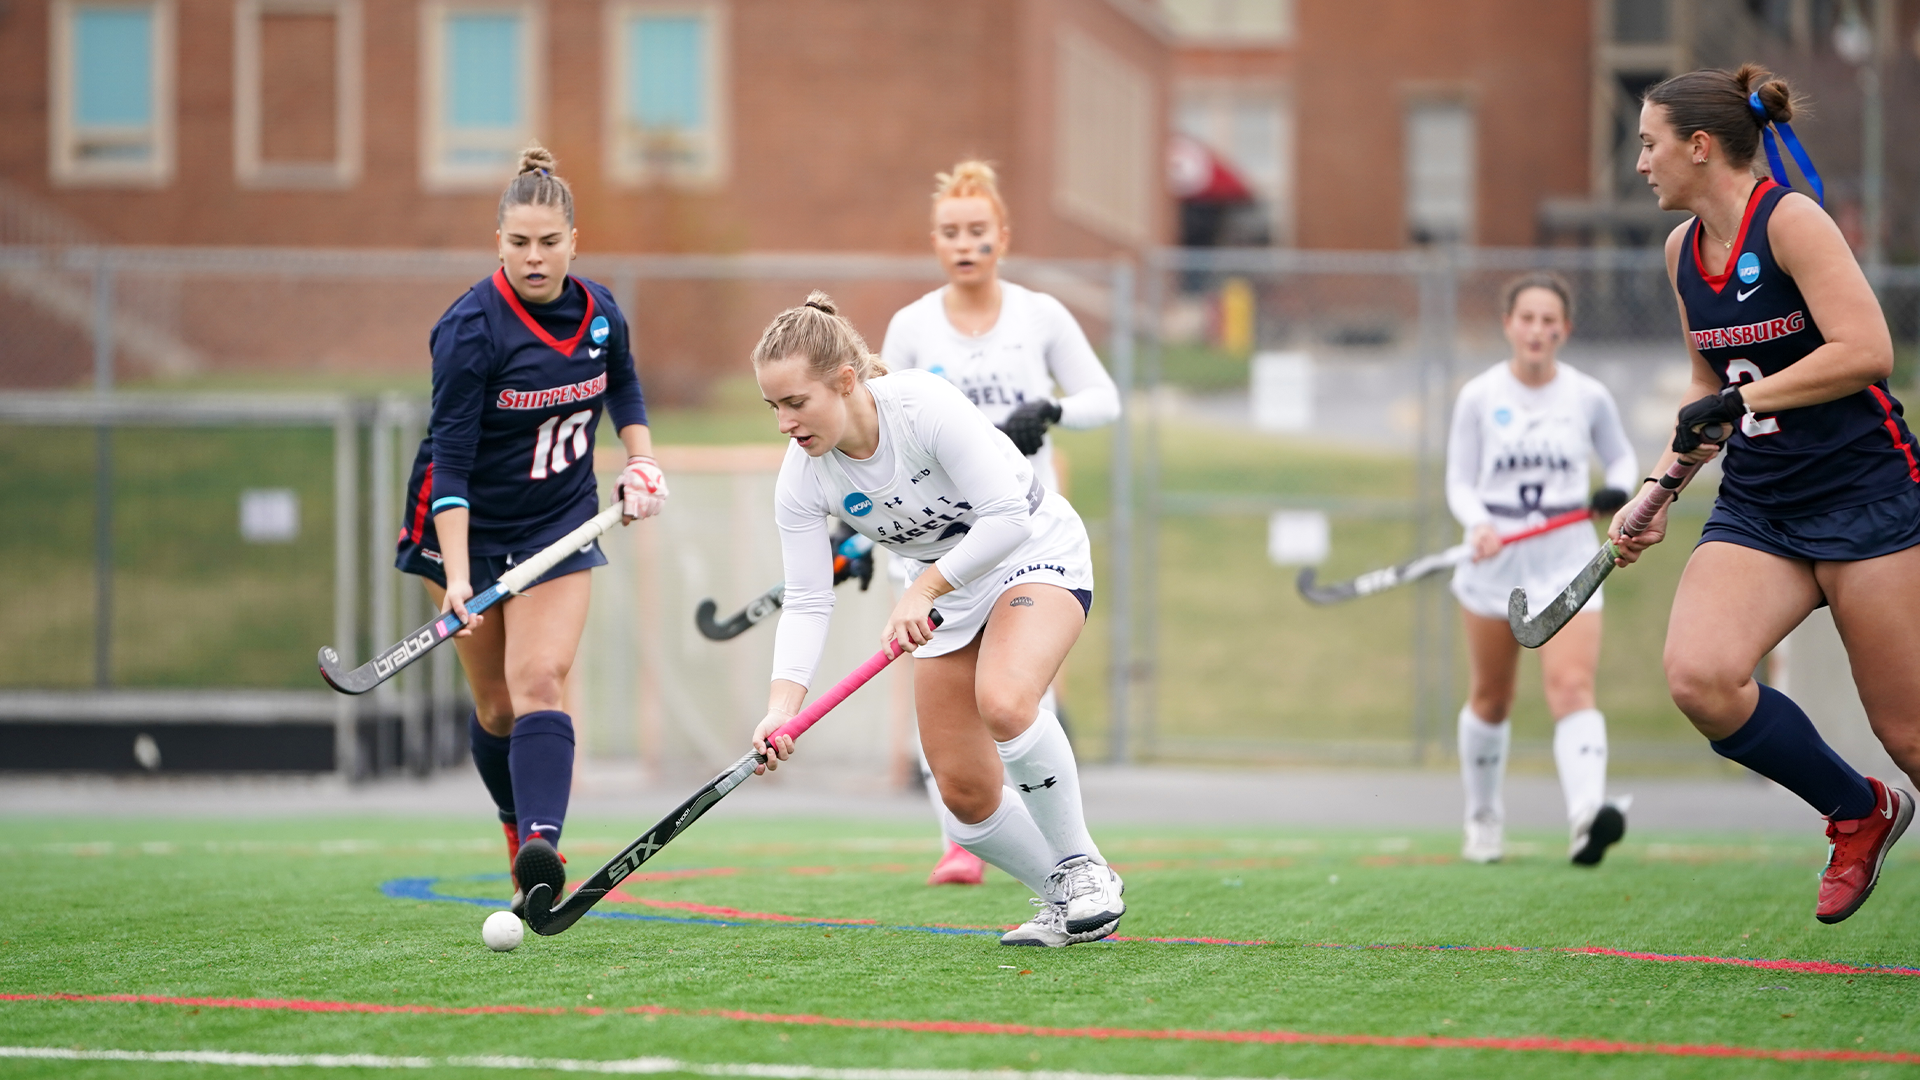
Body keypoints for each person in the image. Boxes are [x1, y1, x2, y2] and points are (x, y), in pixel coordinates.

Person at [1614, 64, 1914, 923]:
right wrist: (1660, 489)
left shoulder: (1790, 220)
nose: (1640, 163)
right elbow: (1707, 391)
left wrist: (1740, 401)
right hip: (1760, 505)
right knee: (1700, 677)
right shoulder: (1681, 255)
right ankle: (1860, 811)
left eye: (1649, 143)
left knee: (1910, 735)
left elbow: (1867, 351)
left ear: (1699, 146)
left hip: (1867, 497)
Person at [749, 291, 1123, 947]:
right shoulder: (803, 477)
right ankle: (1064, 896)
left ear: (845, 382)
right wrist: (783, 707)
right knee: (963, 796)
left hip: (1030, 552)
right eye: (773, 406)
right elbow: (810, 600)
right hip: (948, 596)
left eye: (795, 403)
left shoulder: (921, 406)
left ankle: (1086, 869)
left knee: (1006, 701)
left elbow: (1007, 517)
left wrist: (923, 586)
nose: (784, 422)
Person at [394, 146, 668, 918]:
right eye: (519, 243)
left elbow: (624, 384)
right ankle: (517, 826)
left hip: (559, 520)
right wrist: (454, 579)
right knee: (496, 711)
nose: (535, 257)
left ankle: (543, 848)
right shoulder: (470, 331)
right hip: (466, 529)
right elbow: (449, 465)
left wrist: (640, 460)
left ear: (574, 240)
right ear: (499, 243)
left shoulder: (601, 313)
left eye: (549, 242)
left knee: (540, 679)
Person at [880, 161, 1120, 886]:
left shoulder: (1039, 315)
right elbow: (879, 423)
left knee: (1016, 696)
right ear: (935, 242)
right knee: (943, 695)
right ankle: (963, 837)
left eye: (978, 231)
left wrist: (1053, 410)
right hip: (942, 545)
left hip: (1023, 540)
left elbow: (1104, 399)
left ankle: (1073, 859)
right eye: (951, 232)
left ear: (1003, 237)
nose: (965, 243)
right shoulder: (913, 326)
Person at [1447, 273, 1637, 866]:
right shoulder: (1479, 396)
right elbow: (1459, 479)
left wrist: (1618, 489)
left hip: (1566, 559)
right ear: (1509, 325)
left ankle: (1586, 818)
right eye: (1526, 318)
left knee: (1572, 686)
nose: (1537, 329)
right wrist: (1478, 523)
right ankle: (1483, 818)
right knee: (1491, 698)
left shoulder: (1587, 396)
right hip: (1496, 558)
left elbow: (1622, 455)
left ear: (1564, 329)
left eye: (1548, 319)